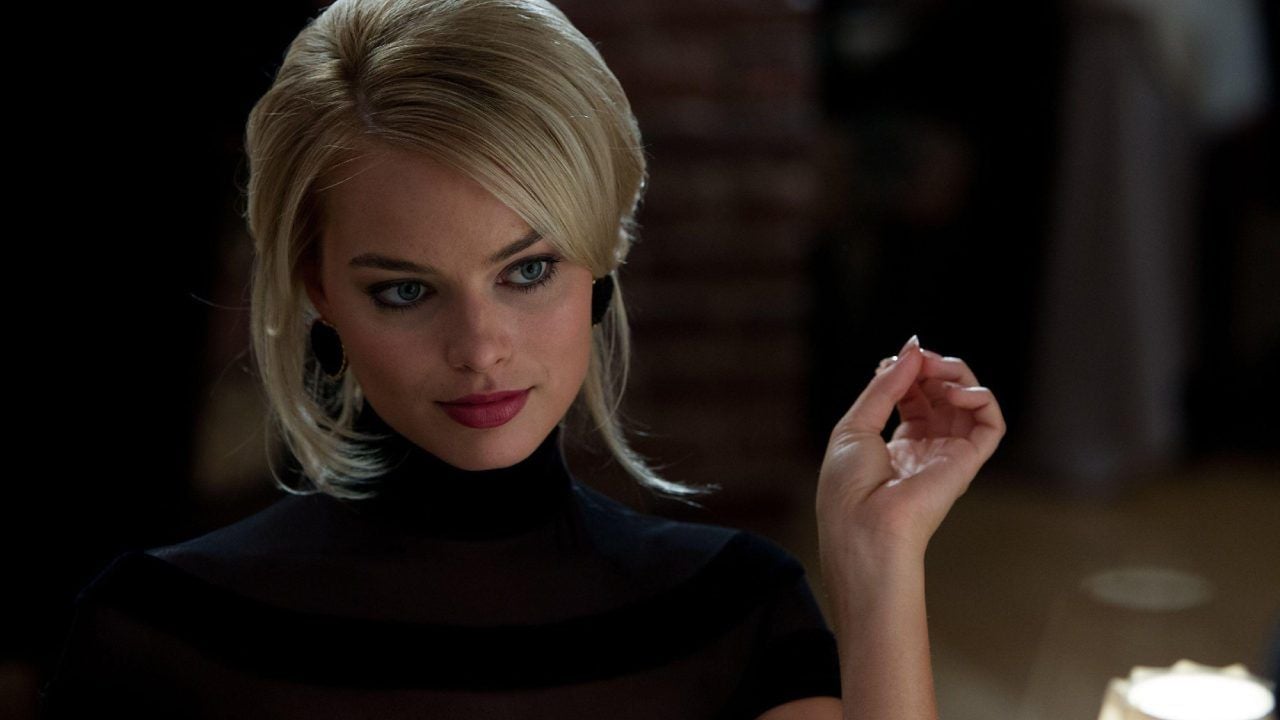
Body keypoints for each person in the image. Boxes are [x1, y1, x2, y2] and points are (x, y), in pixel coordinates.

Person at [39, 0, 1005, 718]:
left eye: (527, 270)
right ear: (317, 289)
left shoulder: (733, 611)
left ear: (601, 260)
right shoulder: (156, 631)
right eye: (404, 290)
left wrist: (878, 564)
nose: (479, 349)